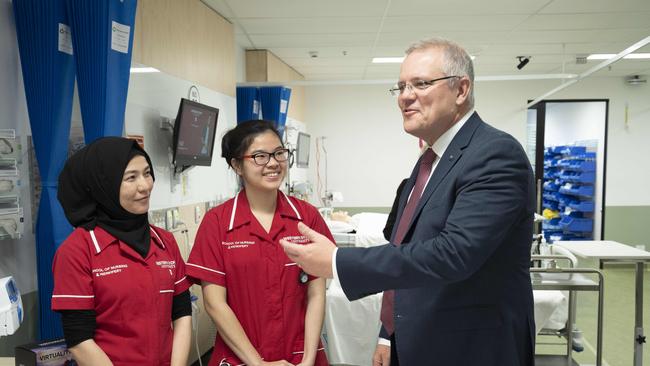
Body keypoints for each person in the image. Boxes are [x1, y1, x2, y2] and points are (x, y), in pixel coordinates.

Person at [281, 37, 536, 366]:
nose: (405, 96)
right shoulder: (431, 159)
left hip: (472, 347)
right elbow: (405, 242)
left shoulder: (495, 154)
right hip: (418, 338)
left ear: (461, 90)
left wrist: (336, 262)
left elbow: (453, 253)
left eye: (421, 84)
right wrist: (388, 333)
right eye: (400, 86)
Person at [186, 120, 330, 366]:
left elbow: (316, 293)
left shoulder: (306, 217)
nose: (273, 163)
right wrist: (258, 364)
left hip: (300, 356)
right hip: (240, 358)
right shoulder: (218, 223)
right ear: (236, 165)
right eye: (259, 156)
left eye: (279, 153)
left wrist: (307, 359)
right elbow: (214, 303)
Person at [51, 137, 192, 366]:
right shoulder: (78, 250)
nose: (145, 185)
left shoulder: (165, 241)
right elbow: (79, 339)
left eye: (147, 173)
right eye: (131, 178)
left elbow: (182, 313)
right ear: (102, 185)